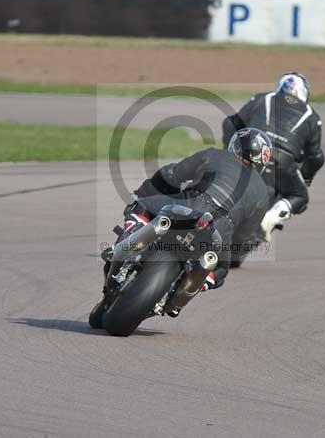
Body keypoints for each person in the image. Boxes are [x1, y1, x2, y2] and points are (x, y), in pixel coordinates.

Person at [91, 128, 272, 323]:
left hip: (190, 205)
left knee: (142, 205)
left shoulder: (215, 155)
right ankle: (179, 298)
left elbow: (173, 173)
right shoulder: (263, 192)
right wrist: (229, 252)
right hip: (221, 231)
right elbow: (243, 235)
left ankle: (125, 245)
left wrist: (147, 190)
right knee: (218, 272)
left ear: (235, 145)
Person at [221, 72, 325, 241]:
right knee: (300, 196)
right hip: (281, 161)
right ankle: (270, 218)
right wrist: (306, 179)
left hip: (248, 152)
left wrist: (229, 148)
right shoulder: (312, 116)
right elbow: (315, 157)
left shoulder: (262, 98)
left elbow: (229, 124)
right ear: (304, 92)